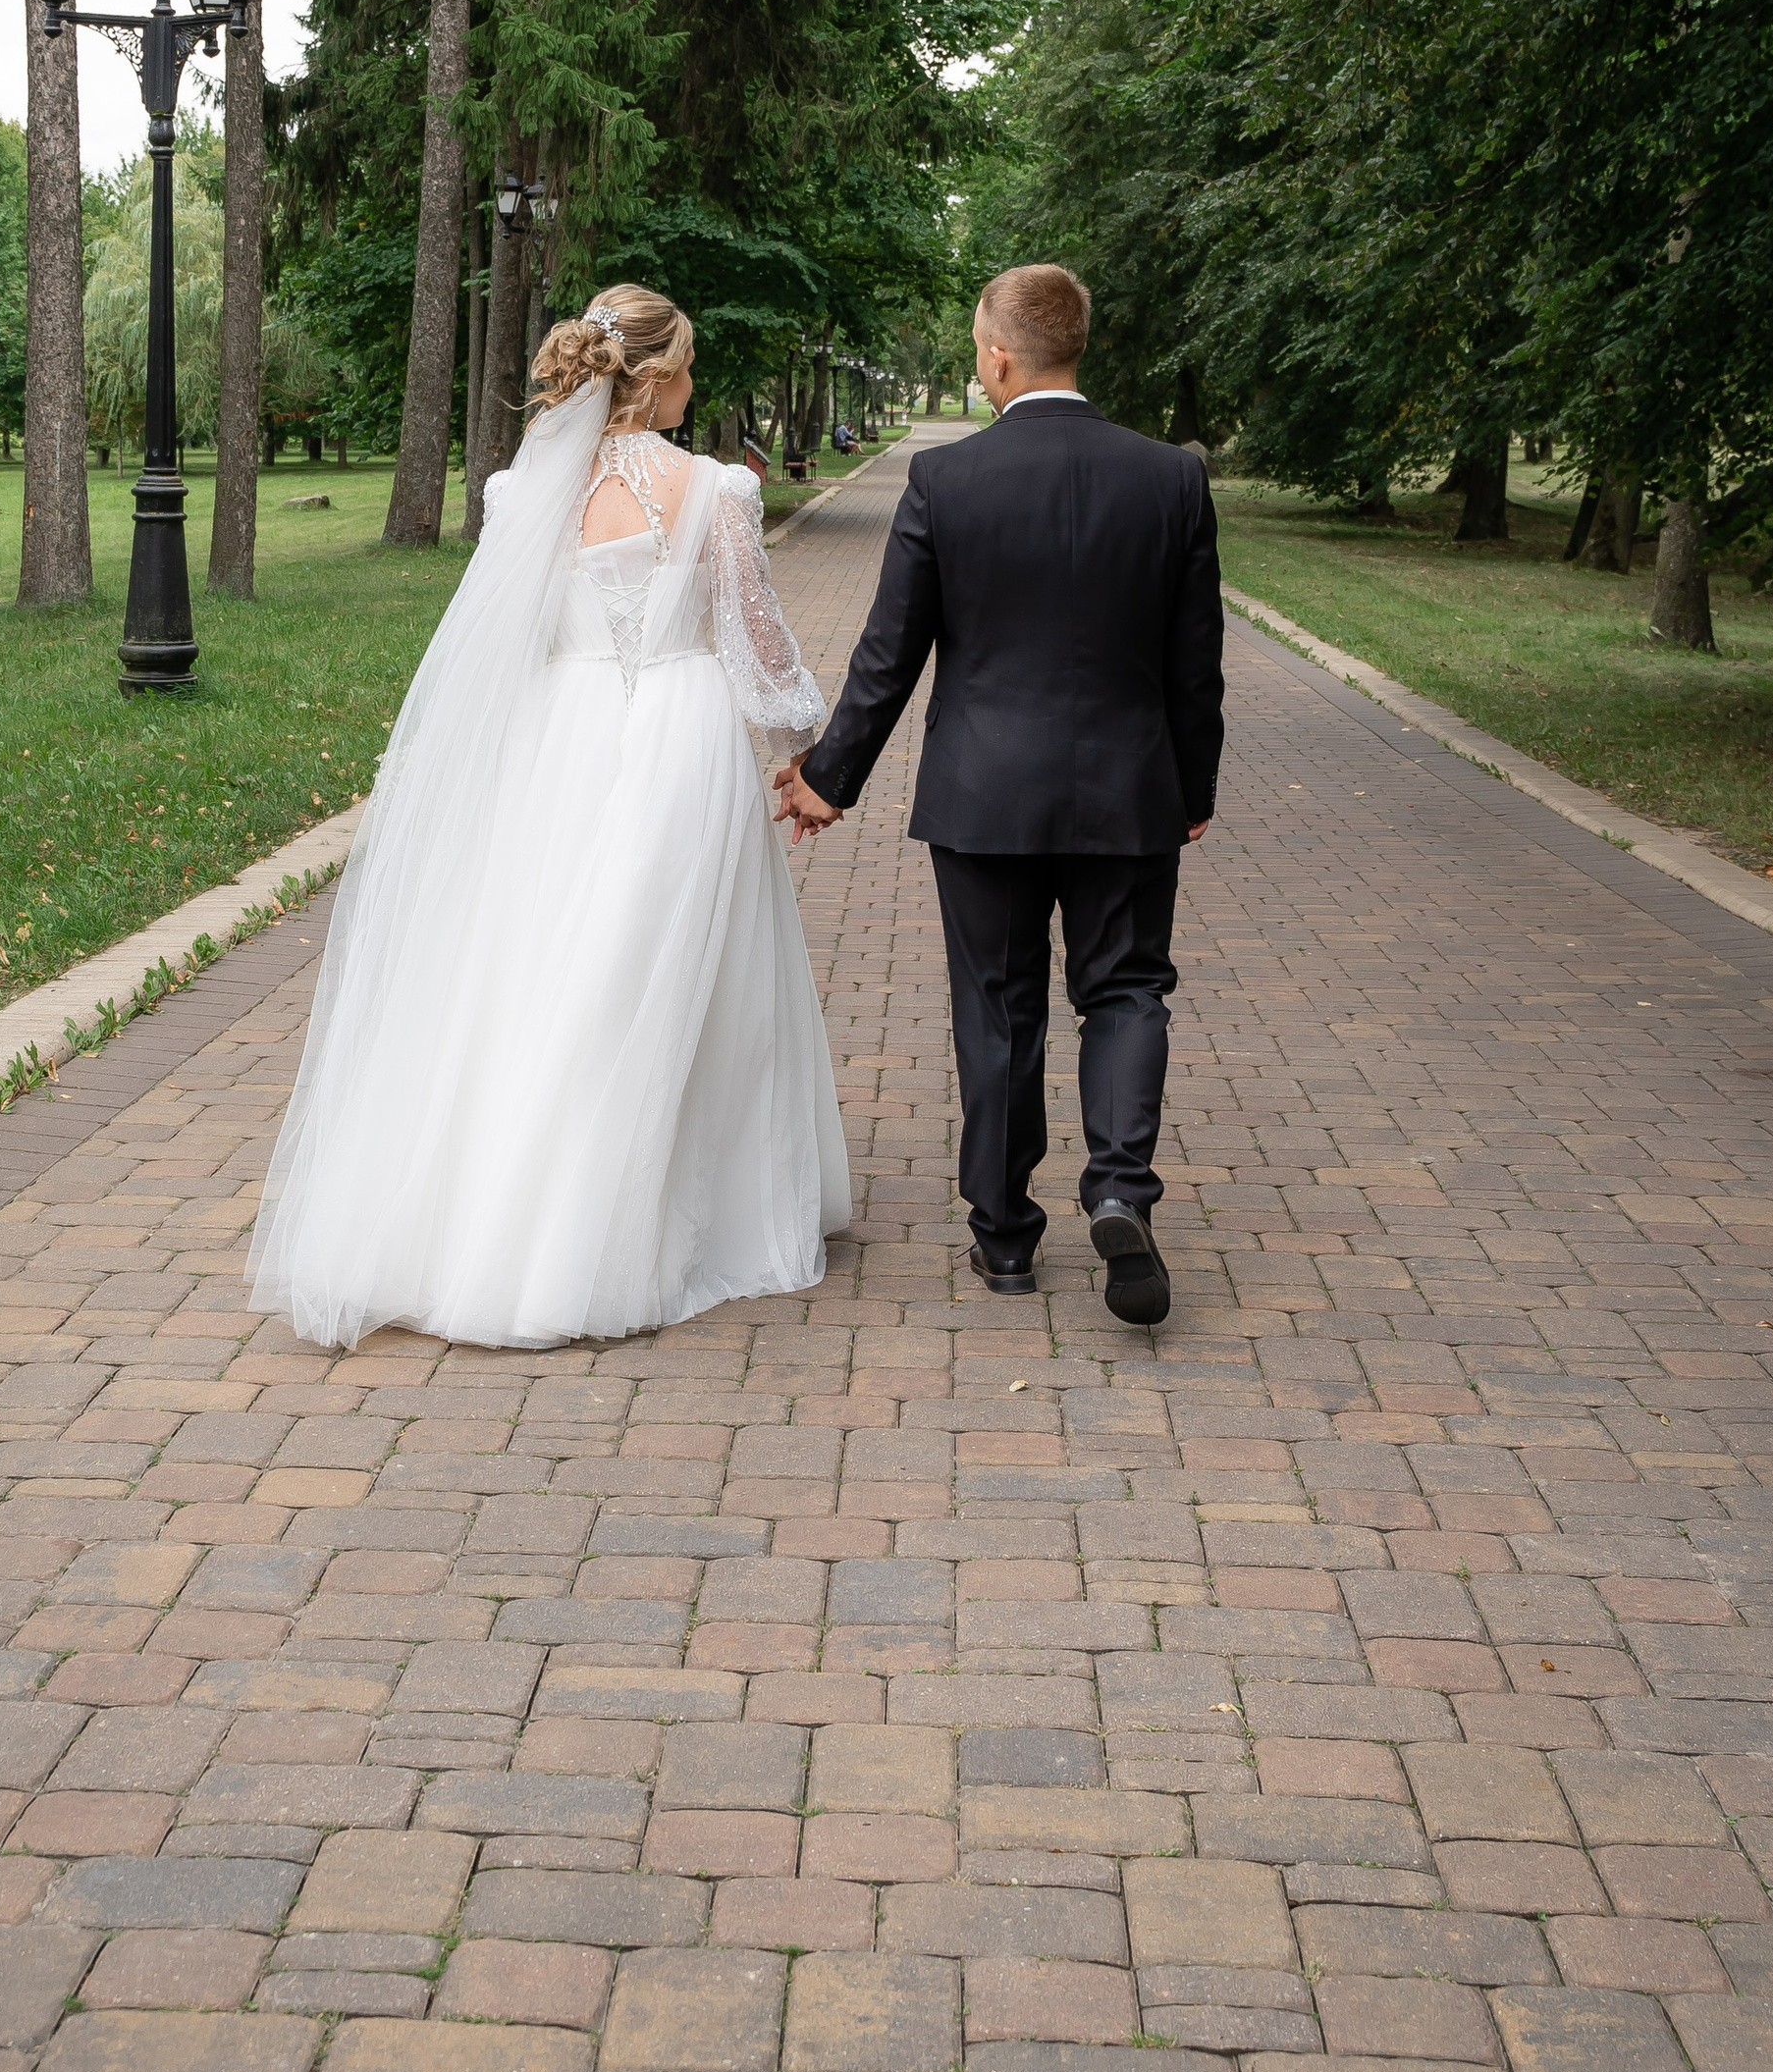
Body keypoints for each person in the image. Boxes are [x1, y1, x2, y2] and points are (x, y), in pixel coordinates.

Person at [248, 285, 850, 1351]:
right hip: (675, 733)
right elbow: (761, 659)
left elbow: (498, 645)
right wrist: (802, 746)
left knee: (544, 965)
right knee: (664, 968)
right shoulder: (711, 489)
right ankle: (626, 1221)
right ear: (657, 377)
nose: (694, 385)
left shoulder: (524, 492)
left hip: (555, 737)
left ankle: (508, 1220)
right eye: (690, 367)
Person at [774, 263, 1221, 1324]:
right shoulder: (1169, 479)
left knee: (1000, 1006)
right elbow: (1194, 662)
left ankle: (1005, 1238)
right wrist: (1188, 787)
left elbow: (891, 654)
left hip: (984, 796)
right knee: (1123, 992)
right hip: (1126, 792)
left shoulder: (947, 482)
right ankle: (1118, 1188)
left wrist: (827, 778)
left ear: (999, 356)